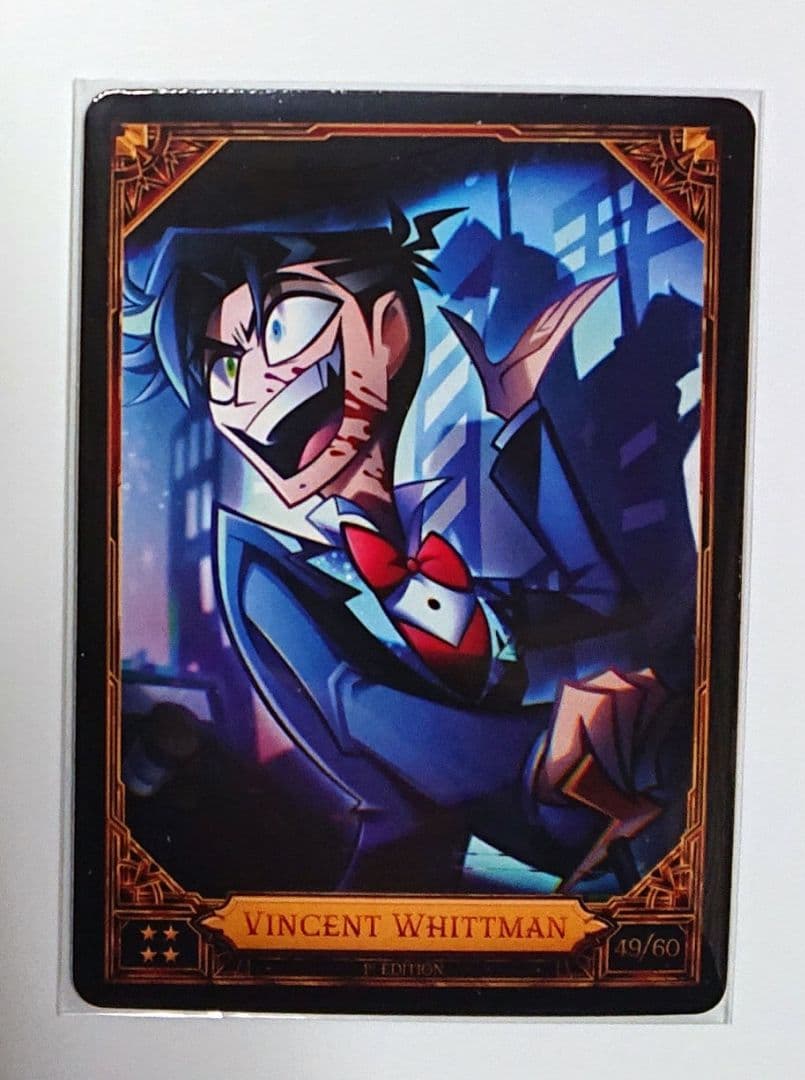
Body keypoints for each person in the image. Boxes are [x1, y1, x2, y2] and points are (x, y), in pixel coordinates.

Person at [127, 206, 688, 892]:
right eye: (224, 368)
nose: (255, 386)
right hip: (428, 882)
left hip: (567, 859)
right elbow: (381, 725)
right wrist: (550, 765)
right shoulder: (264, 575)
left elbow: (602, 611)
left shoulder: (433, 547)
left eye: (282, 329)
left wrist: (522, 417)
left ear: (389, 331)